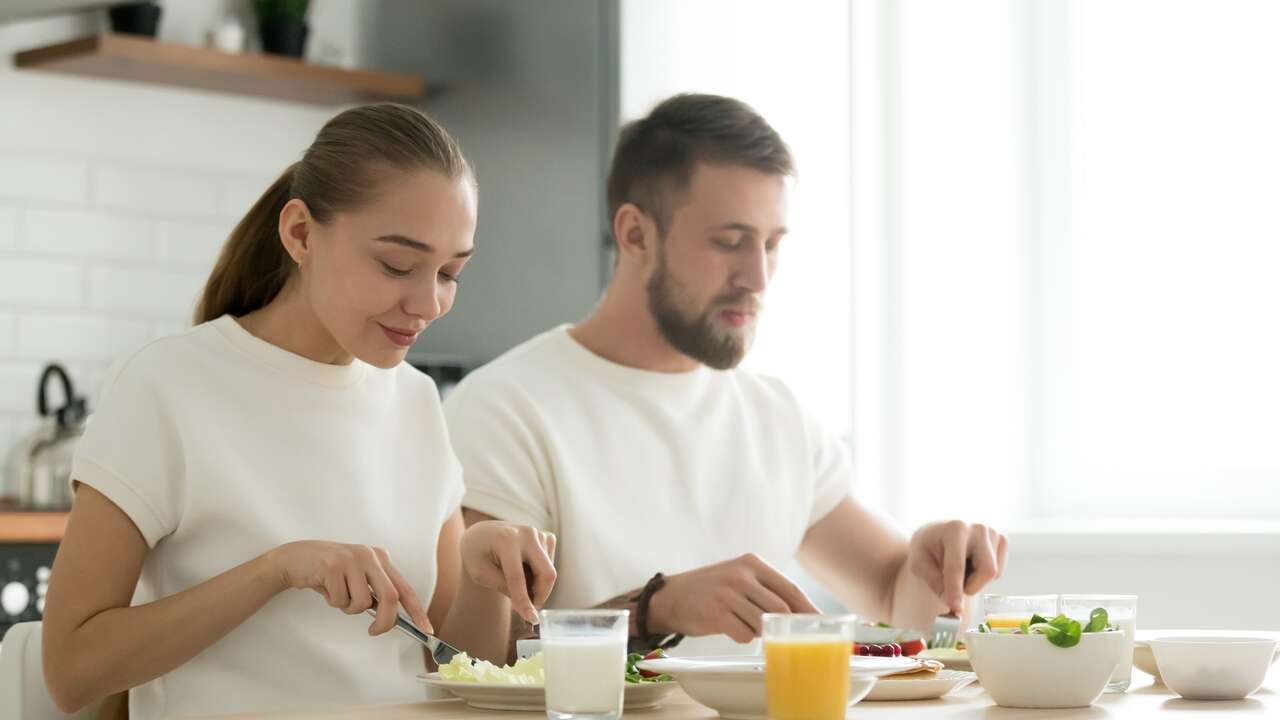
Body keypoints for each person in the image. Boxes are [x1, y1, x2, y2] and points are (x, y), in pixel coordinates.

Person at [40, 103, 557, 719]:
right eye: (397, 265)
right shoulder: (168, 386)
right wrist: (274, 571)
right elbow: (71, 672)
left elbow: (454, 670)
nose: (428, 303)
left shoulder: (416, 400)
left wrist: (483, 576)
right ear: (301, 234)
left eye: (450, 273)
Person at [444, 93, 1007, 657]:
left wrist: (934, 564)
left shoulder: (778, 414)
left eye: (771, 244)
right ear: (636, 234)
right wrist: (655, 607)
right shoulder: (506, 408)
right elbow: (483, 658)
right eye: (730, 242)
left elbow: (891, 593)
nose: (757, 277)